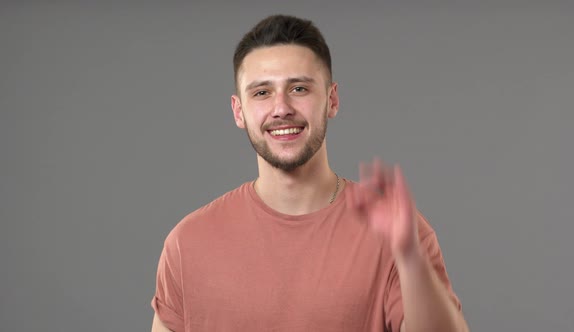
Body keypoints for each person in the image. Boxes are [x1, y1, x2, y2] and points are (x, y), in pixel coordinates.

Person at [151, 14, 469, 332]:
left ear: (331, 100)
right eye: (262, 93)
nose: (281, 108)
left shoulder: (398, 232)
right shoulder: (187, 244)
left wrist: (410, 258)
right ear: (238, 111)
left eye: (299, 88)